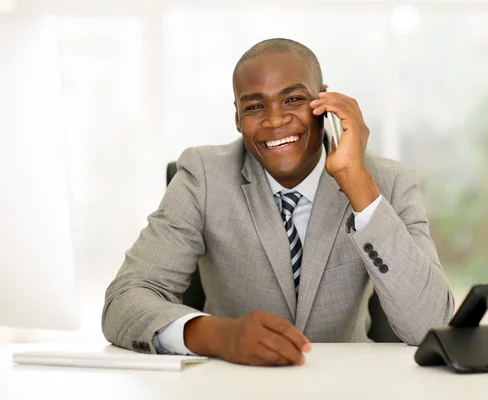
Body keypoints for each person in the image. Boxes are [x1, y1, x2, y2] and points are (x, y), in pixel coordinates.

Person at [102, 38, 455, 366]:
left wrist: (357, 183)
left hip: (348, 383)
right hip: (233, 383)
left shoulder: (388, 181)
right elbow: (124, 301)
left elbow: (429, 326)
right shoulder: (204, 175)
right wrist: (218, 335)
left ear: (325, 103)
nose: (275, 120)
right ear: (238, 119)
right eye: (255, 106)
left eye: (293, 99)